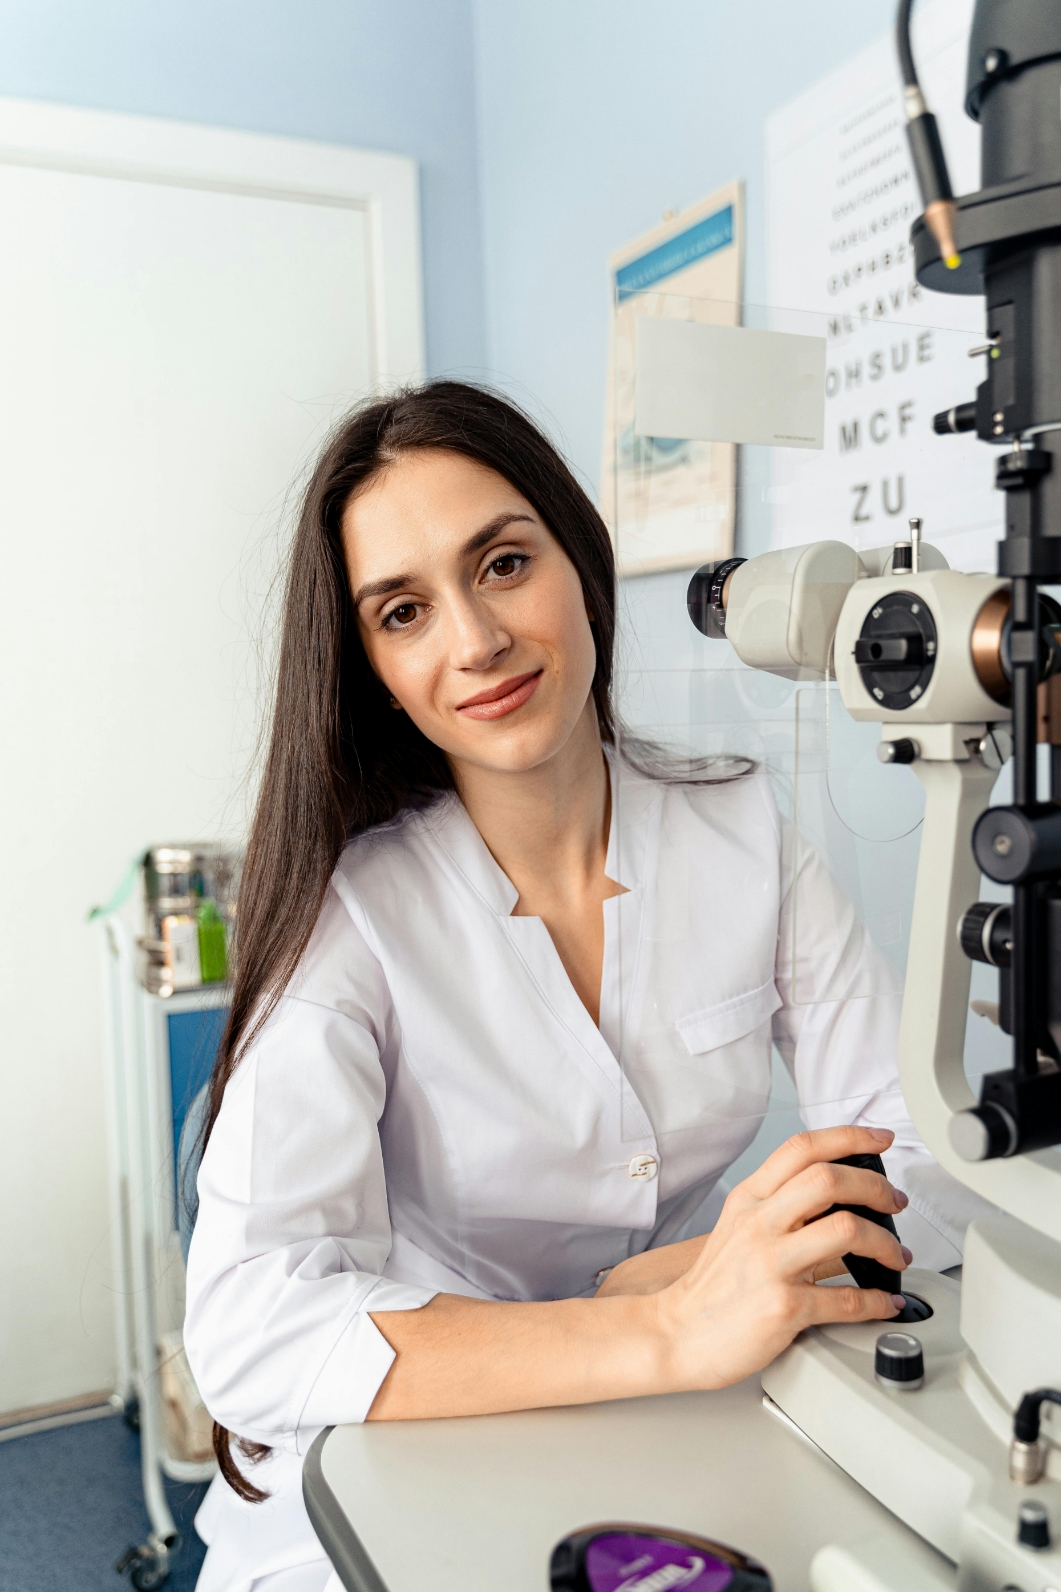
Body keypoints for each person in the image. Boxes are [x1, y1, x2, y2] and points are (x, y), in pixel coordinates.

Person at [184, 381, 968, 1592]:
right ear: (374, 667)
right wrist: (658, 1317)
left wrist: (696, 1279)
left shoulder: (739, 827)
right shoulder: (351, 915)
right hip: (401, 1453)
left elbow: (923, 1141)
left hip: (665, 1412)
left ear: (578, 558)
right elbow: (251, 1328)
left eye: (501, 563)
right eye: (403, 610)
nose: (474, 640)